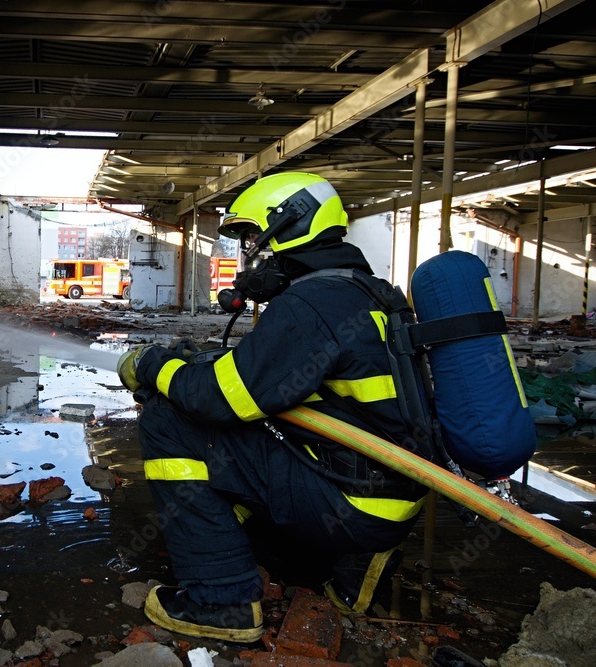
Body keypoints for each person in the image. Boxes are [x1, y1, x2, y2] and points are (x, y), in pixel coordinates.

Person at [117, 172, 428, 642]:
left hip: (353, 503)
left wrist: (155, 366)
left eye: (250, 237)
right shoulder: (368, 290)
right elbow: (281, 379)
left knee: (171, 419)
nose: (249, 253)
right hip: (393, 491)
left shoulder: (315, 301)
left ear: (289, 224)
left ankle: (221, 600)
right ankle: (351, 560)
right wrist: (204, 365)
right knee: (246, 435)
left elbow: (217, 399)